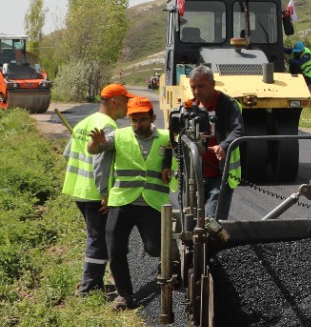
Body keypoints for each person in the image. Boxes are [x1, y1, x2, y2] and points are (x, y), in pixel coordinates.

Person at [90, 96, 170, 309]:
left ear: (152, 117)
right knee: (115, 249)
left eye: (143, 119)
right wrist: (95, 142)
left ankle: (173, 259)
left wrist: (171, 168)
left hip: (152, 203)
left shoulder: (166, 138)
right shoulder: (119, 136)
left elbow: (181, 162)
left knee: (155, 249)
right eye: (134, 120)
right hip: (122, 202)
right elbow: (95, 149)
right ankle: (125, 296)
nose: (138, 124)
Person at [62, 83, 129, 295]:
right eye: (126, 101)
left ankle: (94, 284)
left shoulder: (85, 122)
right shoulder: (108, 126)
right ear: (114, 102)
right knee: (98, 241)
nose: (128, 105)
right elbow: (101, 163)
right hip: (94, 194)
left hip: (78, 190)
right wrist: (105, 194)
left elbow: (67, 154)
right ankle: (89, 289)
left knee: (95, 237)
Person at [188, 64, 243, 221]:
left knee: (213, 222)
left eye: (201, 86)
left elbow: (238, 130)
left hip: (219, 175)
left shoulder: (228, 105)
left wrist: (223, 146)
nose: (197, 91)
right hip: (193, 176)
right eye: (193, 87)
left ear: (213, 84)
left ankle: (214, 246)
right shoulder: (189, 108)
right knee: (189, 221)